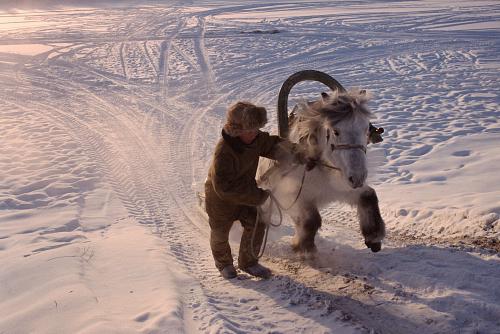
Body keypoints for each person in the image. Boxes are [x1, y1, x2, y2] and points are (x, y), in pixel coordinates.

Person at [205, 101, 303, 279]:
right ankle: (224, 263)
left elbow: (274, 146)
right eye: (249, 131)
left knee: (258, 221)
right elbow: (225, 187)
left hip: (245, 194)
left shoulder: (256, 139)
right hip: (220, 200)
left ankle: (248, 261)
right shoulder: (224, 152)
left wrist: (298, 152)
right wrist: (259, 196)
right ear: (236, 130)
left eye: (256, 129)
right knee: (220, 232)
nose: (254, 134)